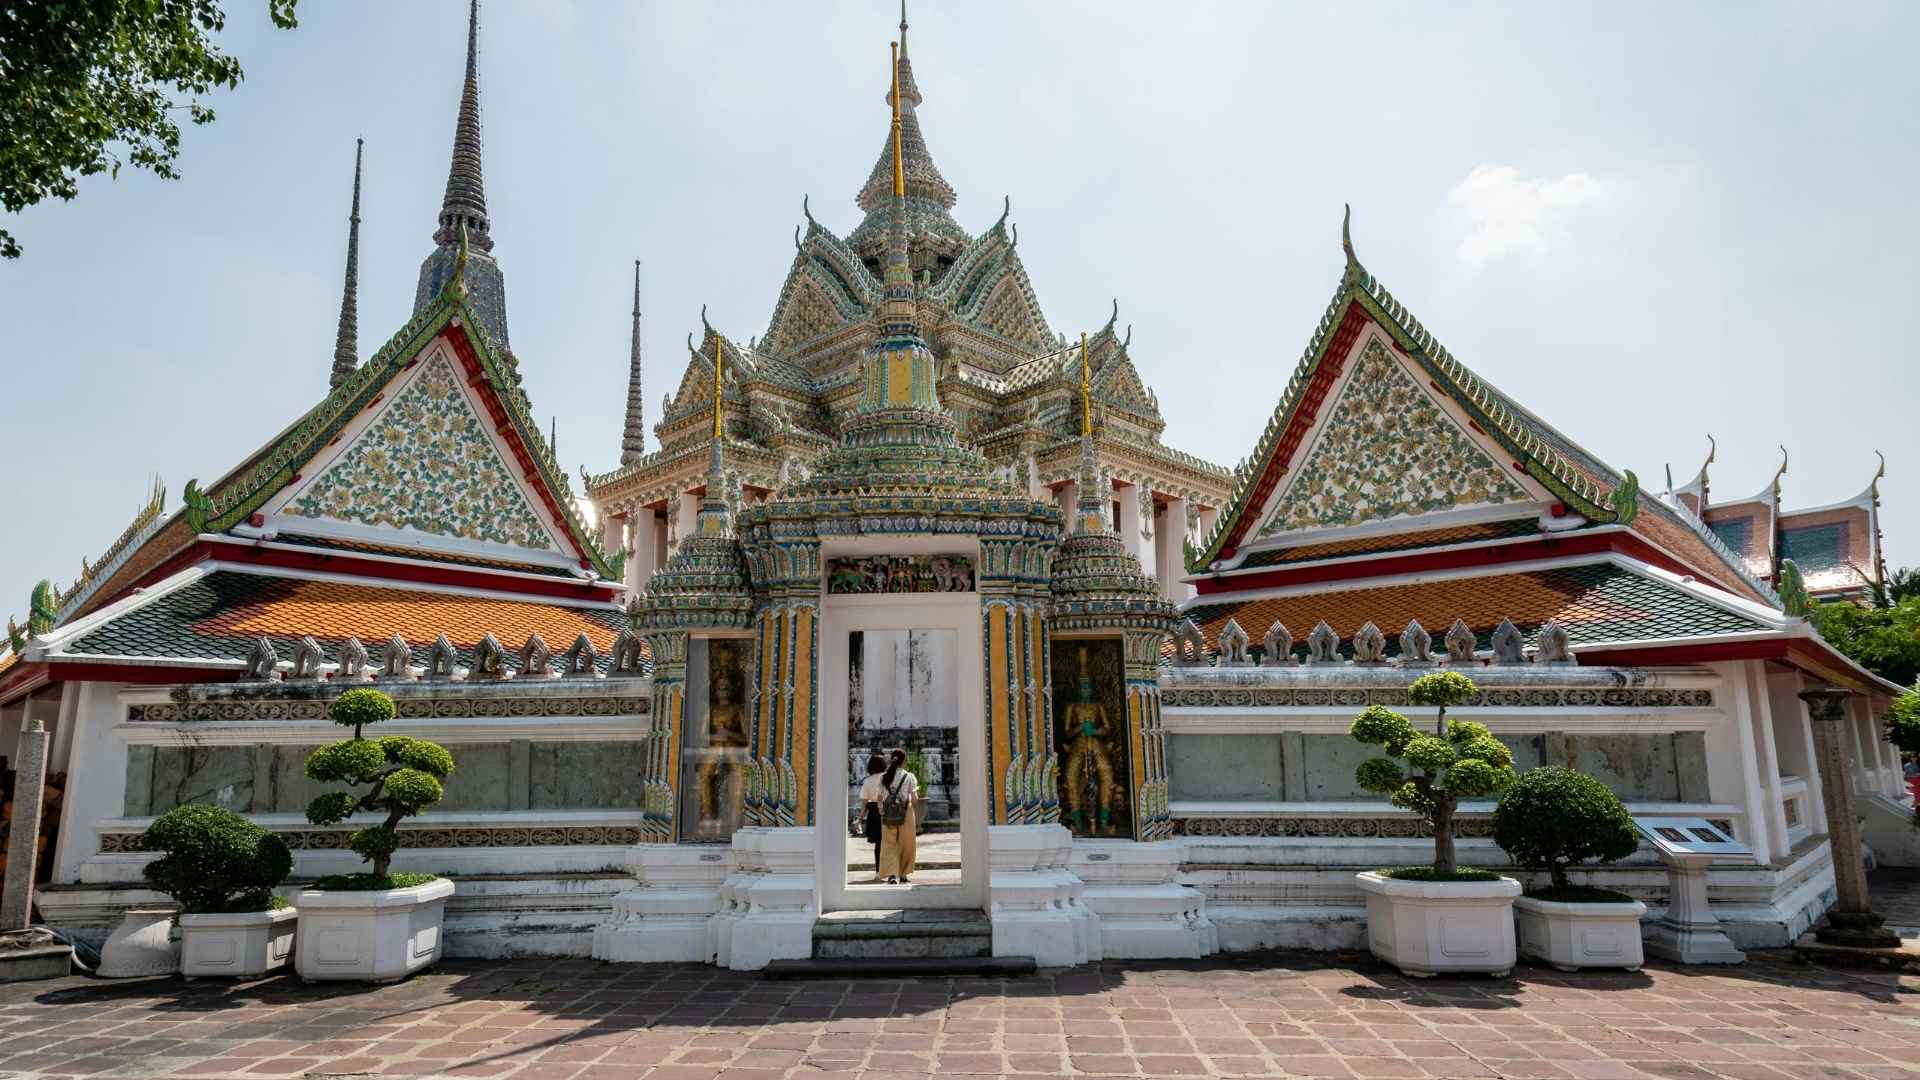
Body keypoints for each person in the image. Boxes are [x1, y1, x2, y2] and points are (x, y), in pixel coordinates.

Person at [876, 747, 919, 884]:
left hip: (888, 814)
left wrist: (881, 809)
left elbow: (879, 797)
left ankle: (891, 875)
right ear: (904, 761)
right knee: (907, 844)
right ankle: (904, 874)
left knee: (889, 844)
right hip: (906, 812)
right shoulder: (909, 776)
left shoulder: (884, 777)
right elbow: (915, 798)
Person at [858, 753, 887, 880]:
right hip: (887, 810)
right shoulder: (887, 778)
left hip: (873, 812)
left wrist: (860, 817)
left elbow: (864, 802)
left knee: (878, 844)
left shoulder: (867, 781)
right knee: (890, 842)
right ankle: (891, 870)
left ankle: (878, 871)